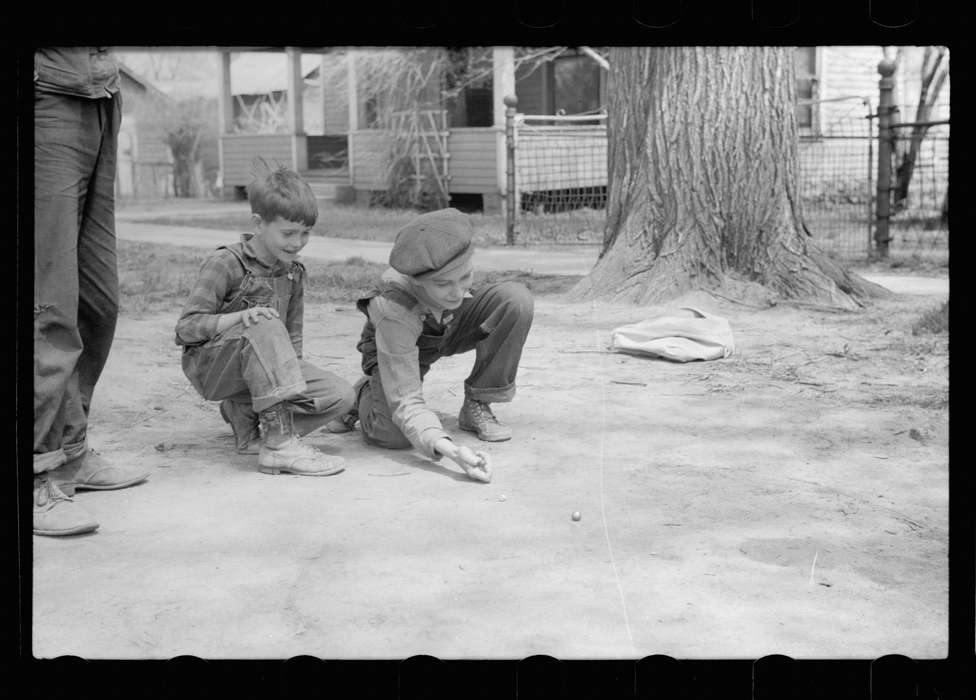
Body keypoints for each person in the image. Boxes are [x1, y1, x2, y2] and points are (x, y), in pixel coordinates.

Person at [33, 48, 150, 537]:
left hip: (102, 94)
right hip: (46, 96)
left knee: (99, 304)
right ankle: (38, 473)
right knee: (49, 304)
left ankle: (73, 453)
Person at [175, 163, 354, 476]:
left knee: (340, 396)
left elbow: (293, 343)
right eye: (288, 233)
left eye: (305, 233)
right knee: (265, 323)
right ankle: (279, 445)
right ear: (259, 223)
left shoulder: (293, 272)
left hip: (265, 372)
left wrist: (292, 383)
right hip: (213, 367)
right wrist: (241, 318)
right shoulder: (226, 262)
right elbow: (186, 328)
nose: (297, 243)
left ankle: (248, 422)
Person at [338, 208, 534, 483]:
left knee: (516, 300)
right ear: (416, 280)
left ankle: (478, 403)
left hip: (449, 326)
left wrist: (453, 292)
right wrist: (452, 451)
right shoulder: (393, 307)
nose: (457, 292)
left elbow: (460, 292)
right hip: (402, 346)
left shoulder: (454, 279)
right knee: (392, 436)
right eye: (443, 284)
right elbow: (408, 402)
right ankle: (363, 394)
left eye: (465, 277)